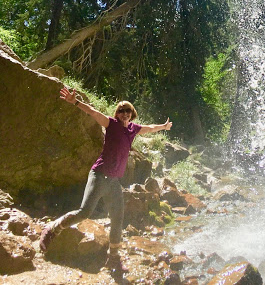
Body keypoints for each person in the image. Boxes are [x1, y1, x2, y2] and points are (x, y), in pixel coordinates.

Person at [39, 86, 172, 274]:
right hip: (99, 175)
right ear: (117, 113)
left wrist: (164, 127)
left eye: (128, 110)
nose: (124, 113)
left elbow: (150, 128)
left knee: (118, 218)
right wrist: (74, 101)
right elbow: (93, 112)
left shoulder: (133, 130)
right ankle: (52, 229)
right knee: (84, 212)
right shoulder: (110, 124)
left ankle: (114, 260)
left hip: (114, 182)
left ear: (132, 113)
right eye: (121, 110)